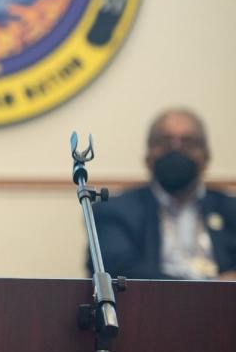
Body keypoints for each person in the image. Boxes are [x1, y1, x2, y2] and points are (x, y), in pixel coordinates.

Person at [92, 108, 236, 280]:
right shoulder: (115, 211)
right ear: (147, 156)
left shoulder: (231, 209)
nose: (176, 150)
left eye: (188, 142)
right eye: (164, 142)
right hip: (147, 305)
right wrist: (212, 288)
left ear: (206, 157)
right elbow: (117, 273)